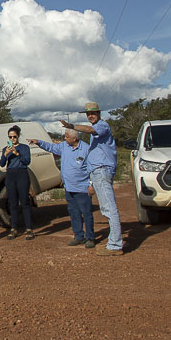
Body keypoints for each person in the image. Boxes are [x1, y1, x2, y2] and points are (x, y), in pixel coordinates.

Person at [60, 102, 122, 255]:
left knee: (109, 208)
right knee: (106, 208)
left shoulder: (102, 126)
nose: (90, 116)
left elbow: (89, 130)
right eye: (88, 114)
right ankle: (113, 241)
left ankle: (115, 245)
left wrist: (71, 126)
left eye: (93, 113)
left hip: (102, 170)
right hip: (97, 172)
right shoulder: (96, 133)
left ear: (99, 113)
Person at [29, 129, 94, 248]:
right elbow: (51, 147)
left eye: (67, 136)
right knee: (74, 213)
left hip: (82, 188)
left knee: (86, 213)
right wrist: (38, 142)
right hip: (69, 188)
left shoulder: (86, 149)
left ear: (74, 139)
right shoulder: (64, 146)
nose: (65, 138)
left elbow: (92, 169)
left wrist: (91, 184)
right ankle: (79, 236)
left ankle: (90, 238)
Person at [0, 125, 35, 240]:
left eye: (14, 137)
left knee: (25, 202)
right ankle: (14, 228)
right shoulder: (5, 149)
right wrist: (5, 154)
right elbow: (2, 164)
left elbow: (27, 161)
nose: (12, 139)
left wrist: (17, 153)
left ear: (18, 136)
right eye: (10, 137)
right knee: (13, 203)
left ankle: (29, 228)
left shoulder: (24, 148)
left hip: (22, 173)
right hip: (10, 174)